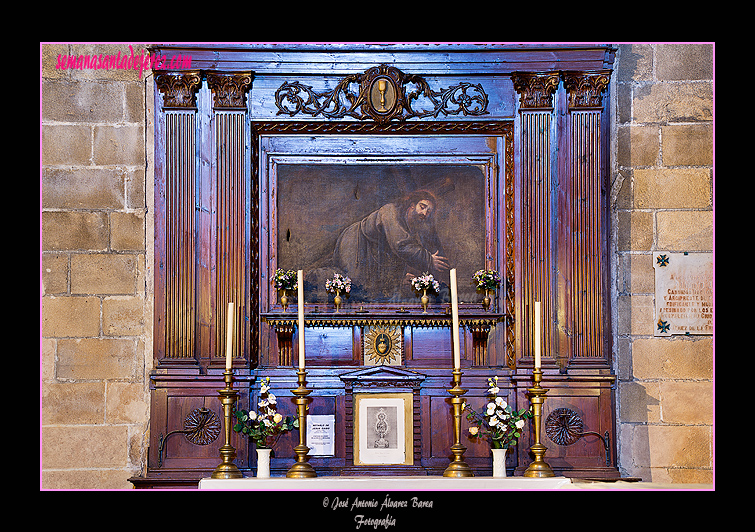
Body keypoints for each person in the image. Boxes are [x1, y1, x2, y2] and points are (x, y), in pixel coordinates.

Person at [333, 189, 450, 299]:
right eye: (422, 207)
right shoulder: (390, 211)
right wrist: (428, 259)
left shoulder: (411, 228)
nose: (424, 213)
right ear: (412, 204)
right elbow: (400, 245)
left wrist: (400, 278)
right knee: (354, 288)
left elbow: (395, 256)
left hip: (372, 257)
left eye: (428, 211)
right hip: (354, 244)